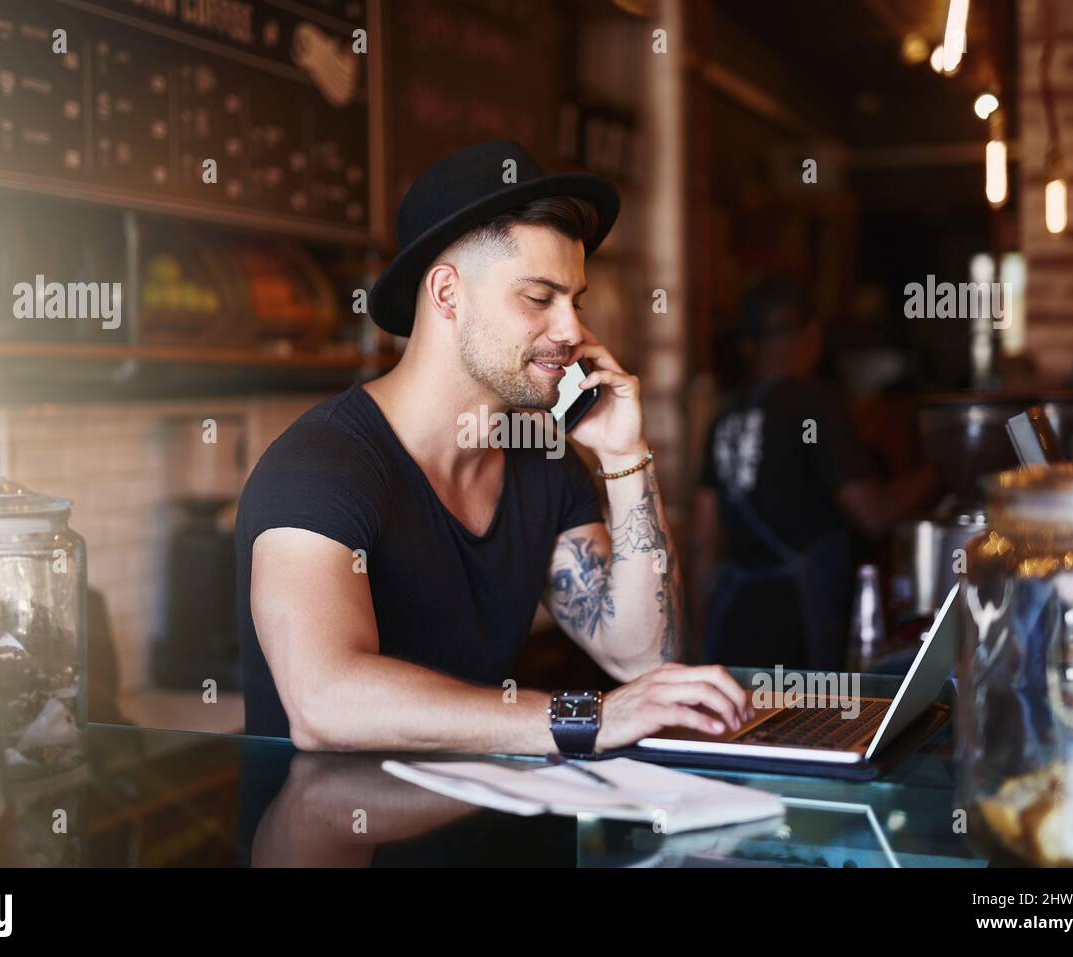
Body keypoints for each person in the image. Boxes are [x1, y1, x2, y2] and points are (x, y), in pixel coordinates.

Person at [236, 140, 753, 754]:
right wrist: (583, 718)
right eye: (539, 298)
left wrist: (624, 455)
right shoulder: (321, 465)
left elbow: (643, 655)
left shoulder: (543, 461)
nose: (572, 332)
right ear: (448, 294)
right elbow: (324, 703)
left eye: (575, 301)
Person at [692, 279, 936, 672]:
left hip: (732, 625)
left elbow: (704, 542)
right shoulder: (814, 403)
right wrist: (943, 471)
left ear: (747, 346)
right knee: (810, 732)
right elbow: (872, 515)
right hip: (799, 628)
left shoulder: (725, 414)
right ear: (813, 335)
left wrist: (702, 640)